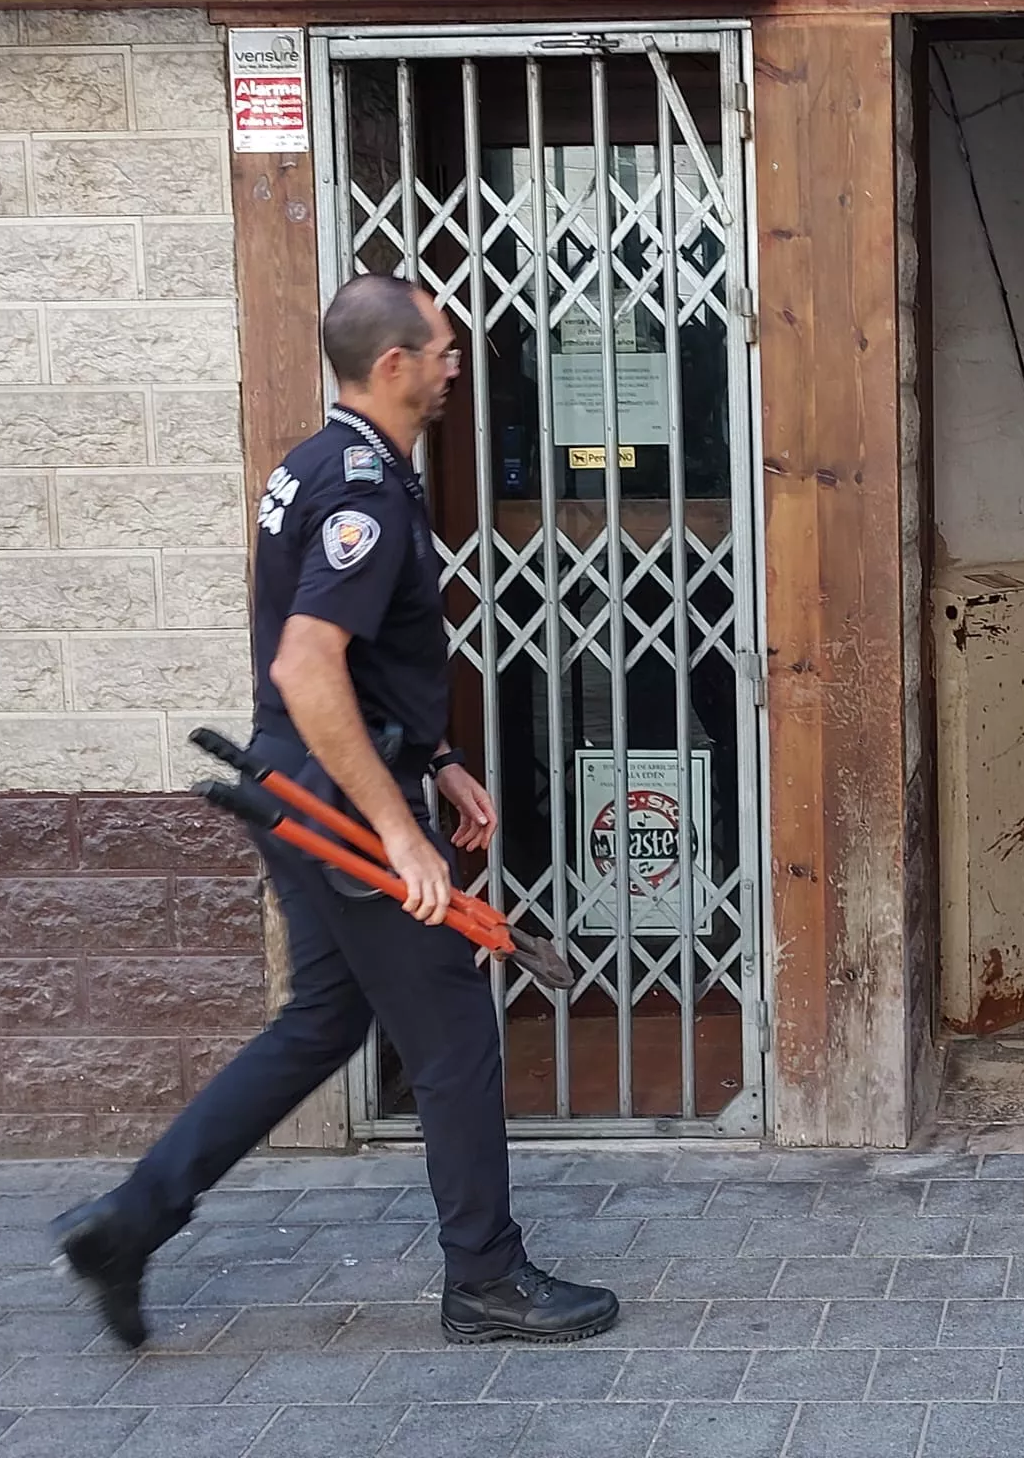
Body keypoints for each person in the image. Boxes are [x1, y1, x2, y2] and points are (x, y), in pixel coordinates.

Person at [50, 275, 621, 1347]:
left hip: (296, 780)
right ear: (393, 364)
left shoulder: (325, 465)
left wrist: (440, 758)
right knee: (453, 1031)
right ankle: (486, 1280)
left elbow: (358, 666)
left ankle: (130, 1222)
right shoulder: (362, 488)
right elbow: (310, 665)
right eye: (444, 349)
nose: (458, 364)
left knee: (323, 1017)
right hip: (336, 803)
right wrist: (398, 832)